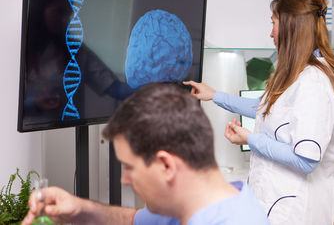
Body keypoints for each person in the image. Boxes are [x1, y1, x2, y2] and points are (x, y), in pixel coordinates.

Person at [184, 0, 334, 225]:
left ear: (291, 26)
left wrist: (250, 139)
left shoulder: (314, 82)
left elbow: (306, 160)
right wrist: (215, 95)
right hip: (276, 206)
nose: (271, 33)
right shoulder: (298, 74)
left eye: (274, 23)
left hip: (295, 213)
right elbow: (268, 109)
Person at [22, 83, 270, 225]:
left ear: (166, 165)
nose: (124, 179)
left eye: (129, 167)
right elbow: (134, 220)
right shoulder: (198, 202)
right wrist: (78, 208)